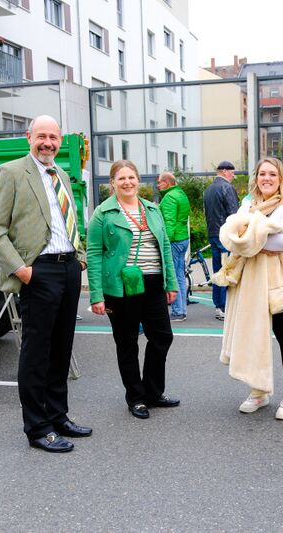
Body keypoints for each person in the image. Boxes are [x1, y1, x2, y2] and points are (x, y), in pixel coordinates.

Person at [0, 115, 91, 453]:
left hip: (68, 268)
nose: (48, 142)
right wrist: (23, 270)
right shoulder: (12, 172)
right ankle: (37, 427)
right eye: (41, 136)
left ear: (60, 141)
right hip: (38, 272)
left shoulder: (60, 173)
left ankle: (58, 416)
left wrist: (80, 258)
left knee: (61, 349)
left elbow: (69, 220)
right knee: (36, 354)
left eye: (53, 137)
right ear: (28, 136)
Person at [87, 160, 180, 420]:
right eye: (121, 178)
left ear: (138, 180)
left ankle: (153, 392)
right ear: (112, 183)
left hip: (152, 284)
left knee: (162, 337)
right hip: (120, 287)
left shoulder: (152, 209)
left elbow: (164, 248)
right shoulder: (103, 214)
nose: (127, 182)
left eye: (131, 177)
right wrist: (96, 295)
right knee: (127, 343)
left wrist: (171, 283)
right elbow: (94, 254)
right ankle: (135, 397)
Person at [213, 157, 283, 420]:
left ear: (281, 178)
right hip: (251, 279)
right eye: (262, 174)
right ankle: (259, 390)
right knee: (253, 336)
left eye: (272, 174)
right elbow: (232, 238)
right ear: (256, 177)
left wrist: (251, 236)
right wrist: (260, 236)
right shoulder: (247, 203)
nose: (266, 178)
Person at [203, 160, 239, 320]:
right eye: (232, 172)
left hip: (213, 234)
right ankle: (225, 306)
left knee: (218, 271)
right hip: (226, 235)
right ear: (224, 171)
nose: (233, 175)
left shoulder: (208, 190)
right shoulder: (227, 188)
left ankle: (218, 305)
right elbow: (234, 214)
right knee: (227, 270)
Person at [157, 171, 191, 322]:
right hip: (183, 238)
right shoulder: (181, 194)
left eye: (160, 182)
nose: (158, 185)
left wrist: (165, 243)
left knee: (173, 276)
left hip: (174, 240)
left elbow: (169, 222)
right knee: (180, 275)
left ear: (167, 182)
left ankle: (177, 311)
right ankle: (182, 310)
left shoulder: (169, 197)